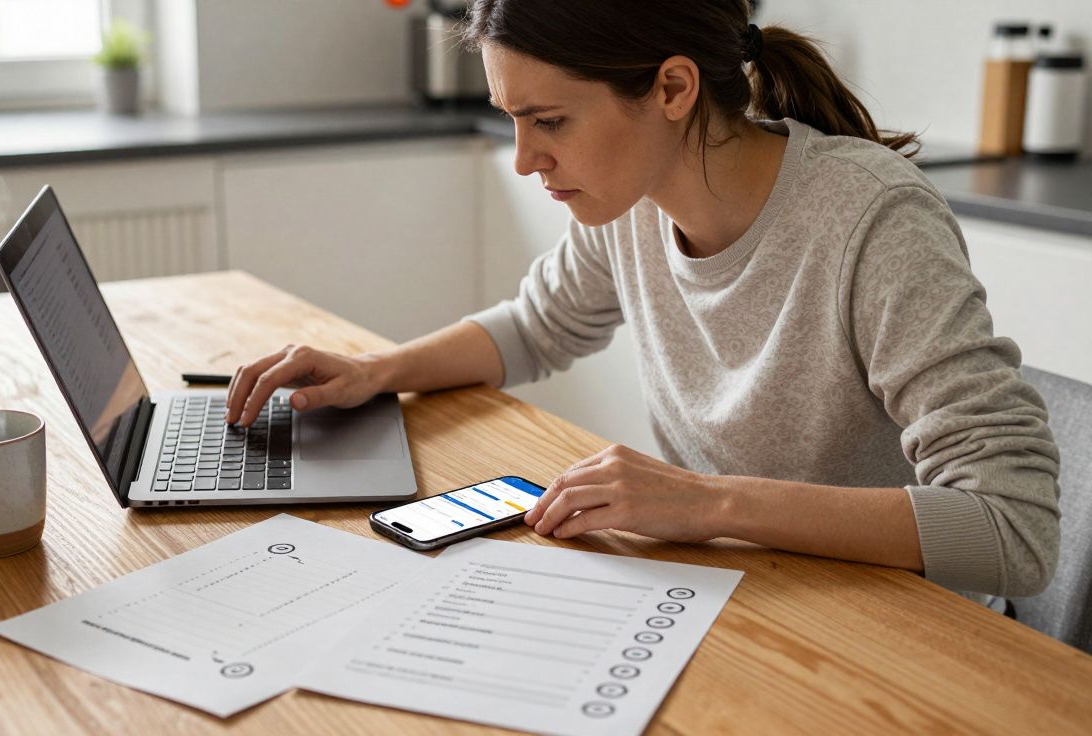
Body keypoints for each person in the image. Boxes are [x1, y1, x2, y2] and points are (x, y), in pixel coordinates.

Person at [224, 0, 1059, 601]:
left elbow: (1011, 529)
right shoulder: (633, 201)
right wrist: (378, 371)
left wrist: (710, 502)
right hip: (735, 591)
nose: (524, 160)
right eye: (511, 118)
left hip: (898, 627)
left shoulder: (873, 220)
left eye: (548, 120)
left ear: (672, 88)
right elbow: (536, 326)